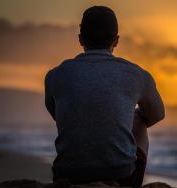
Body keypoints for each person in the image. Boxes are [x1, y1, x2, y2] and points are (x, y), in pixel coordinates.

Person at [44, 6, 165, 188]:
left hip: (67, 176)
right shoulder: (137, 74)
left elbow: (56, 115)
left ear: (80, 39)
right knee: (139, 118)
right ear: (116, 41)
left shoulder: (55, 75)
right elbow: (157, 114)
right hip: (122, 178)